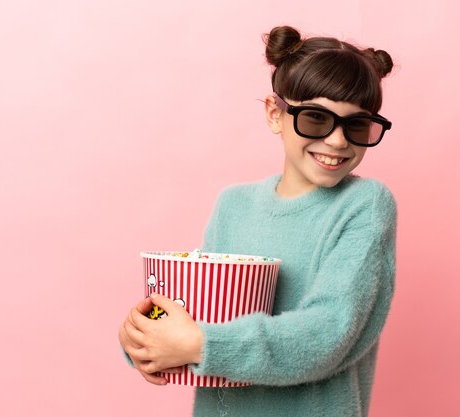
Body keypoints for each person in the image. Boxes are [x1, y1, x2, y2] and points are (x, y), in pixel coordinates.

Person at [119, 25, 397, 417]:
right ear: (274, 114)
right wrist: (144, 338)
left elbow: (328, 334)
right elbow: (201, 313)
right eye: (316, 118)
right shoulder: (233, 205)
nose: (337, 141)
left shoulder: (365, 205)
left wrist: (199, 345)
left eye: (355, 125)